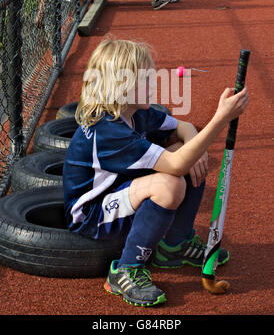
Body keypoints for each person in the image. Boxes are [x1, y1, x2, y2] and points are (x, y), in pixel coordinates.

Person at [62, 38, 249, 307]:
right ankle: (125, 269)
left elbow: (183, 127)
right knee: (170, 183)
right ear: (122, 86)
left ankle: (175, 245)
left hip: (120, 189)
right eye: (146, 79)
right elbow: (175, 166)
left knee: (188, 151)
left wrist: (192, 142)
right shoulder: (108, 130)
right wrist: (221, 118)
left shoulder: (135, 112)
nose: (154, 84)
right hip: (91, 214)